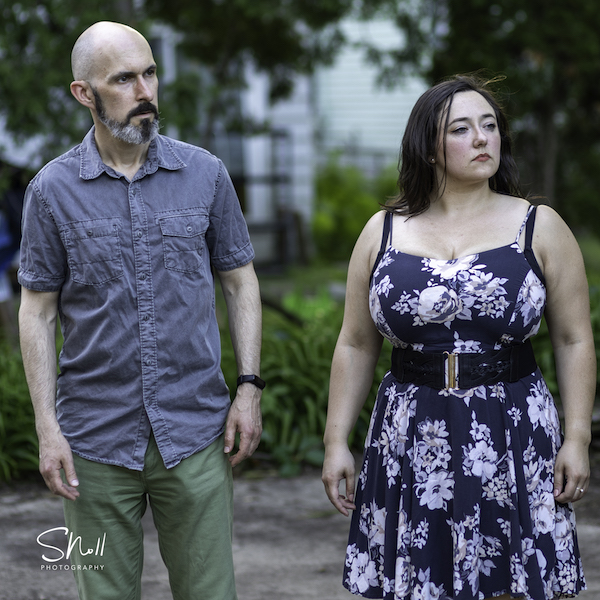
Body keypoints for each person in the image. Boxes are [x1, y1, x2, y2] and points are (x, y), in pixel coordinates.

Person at [322, 75, 595, 600]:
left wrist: (577, 436)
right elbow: (355, 343)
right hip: (410, 432)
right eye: (462, 129)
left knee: (508, 584)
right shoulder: (382, 231)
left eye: (490, 126)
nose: (482, 139)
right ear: (429, 148)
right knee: (421, 584)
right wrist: (336, 441)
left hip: (512, 429)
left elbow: (573, 338)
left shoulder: (540, 226)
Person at [18, 21, 264, 600]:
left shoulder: (205, 173)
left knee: (210, 593)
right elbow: (38, 312)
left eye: (149, 72)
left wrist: (249, 388)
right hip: (92, 444)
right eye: (123, 79)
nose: (144, 90)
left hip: (196, 434)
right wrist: (47, 428)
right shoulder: (51, 190)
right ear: (85, 94)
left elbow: (240, 281)